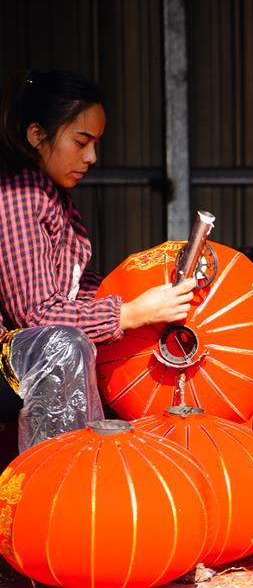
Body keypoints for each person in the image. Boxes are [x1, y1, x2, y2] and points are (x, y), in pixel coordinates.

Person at [0, 68, 197, 452]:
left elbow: (77, 289)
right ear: (36, 135)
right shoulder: (18, 196)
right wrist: (127, 314)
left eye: (96, 143)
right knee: (65, 344)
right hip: (6, 360)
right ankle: (57, 482)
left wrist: (140, 293)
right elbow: (37, 316)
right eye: (81, 141)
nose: (91, 157)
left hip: (30, 355)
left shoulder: (54, 198)